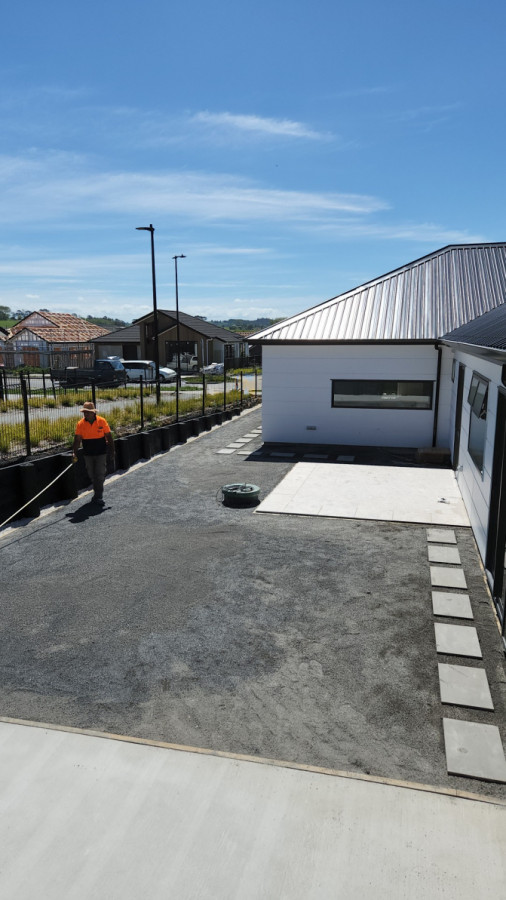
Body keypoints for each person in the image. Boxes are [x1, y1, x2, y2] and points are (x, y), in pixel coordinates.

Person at [73, 401, 115, 502]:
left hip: (101, 452)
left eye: (88, 412)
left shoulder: (102, 421)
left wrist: (112, 451)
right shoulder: (80, 424)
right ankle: (97, 491)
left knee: (99, 474)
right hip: (88, 453)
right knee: (92, 474)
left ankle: (98, 495)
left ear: (93, 412)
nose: (86, 414)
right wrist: (74, 452)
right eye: (84, 412)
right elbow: (77, 439)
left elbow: (109, 437)